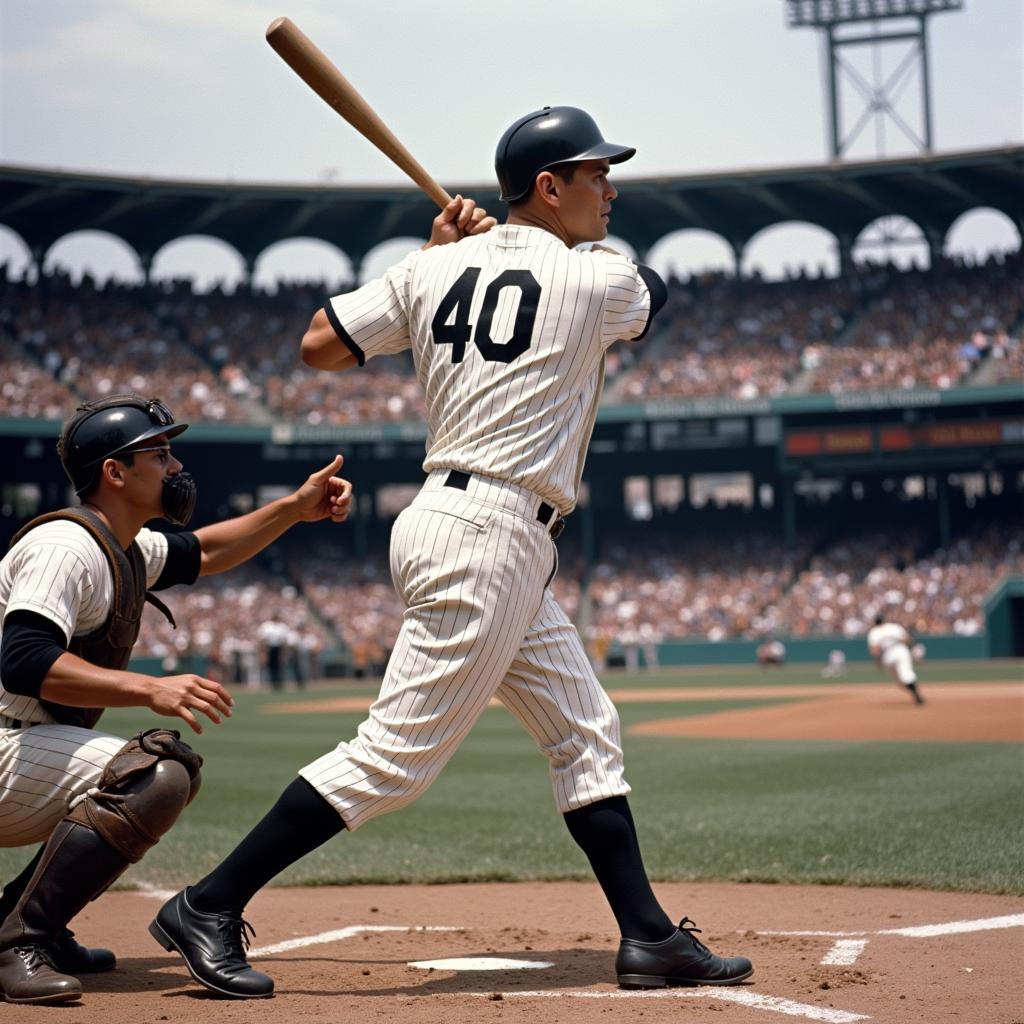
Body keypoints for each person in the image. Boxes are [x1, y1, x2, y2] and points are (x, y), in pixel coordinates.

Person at [150, 106, 753, 999]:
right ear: (549, 187)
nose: (611, 189)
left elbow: (318, 344)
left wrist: (439, 258)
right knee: (393, 759)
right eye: (596, 176)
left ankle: (649, 936)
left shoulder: (429, 269)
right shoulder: (596, 275)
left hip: (465, 526)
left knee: (586, 732)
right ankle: (209, 900)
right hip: (490, 537)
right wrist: (508, 253)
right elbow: (654, 294)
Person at [0, 395, 352, 1004]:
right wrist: (149, 687)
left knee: (170, 773)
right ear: (115, 472)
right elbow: (25, 659)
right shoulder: (66, 546)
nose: (174, 467)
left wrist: (294, 509)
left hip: (22, 744)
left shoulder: (124, 547)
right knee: (155, 775)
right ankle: (16, 942)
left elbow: (206, 551)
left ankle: (31, 923)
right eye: (158, 454)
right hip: (7, 738)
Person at [866, 614, 925, 704]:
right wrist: (913, 652)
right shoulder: (893, 627)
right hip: (901, 650)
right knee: (906, 673)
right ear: (884, 620)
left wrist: (877, 662)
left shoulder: (874, 632)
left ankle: (915, 693)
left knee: (901, 681)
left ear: (875, 622)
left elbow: (875, 651)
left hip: (888, 655)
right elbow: (906, 639)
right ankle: (915, 693)